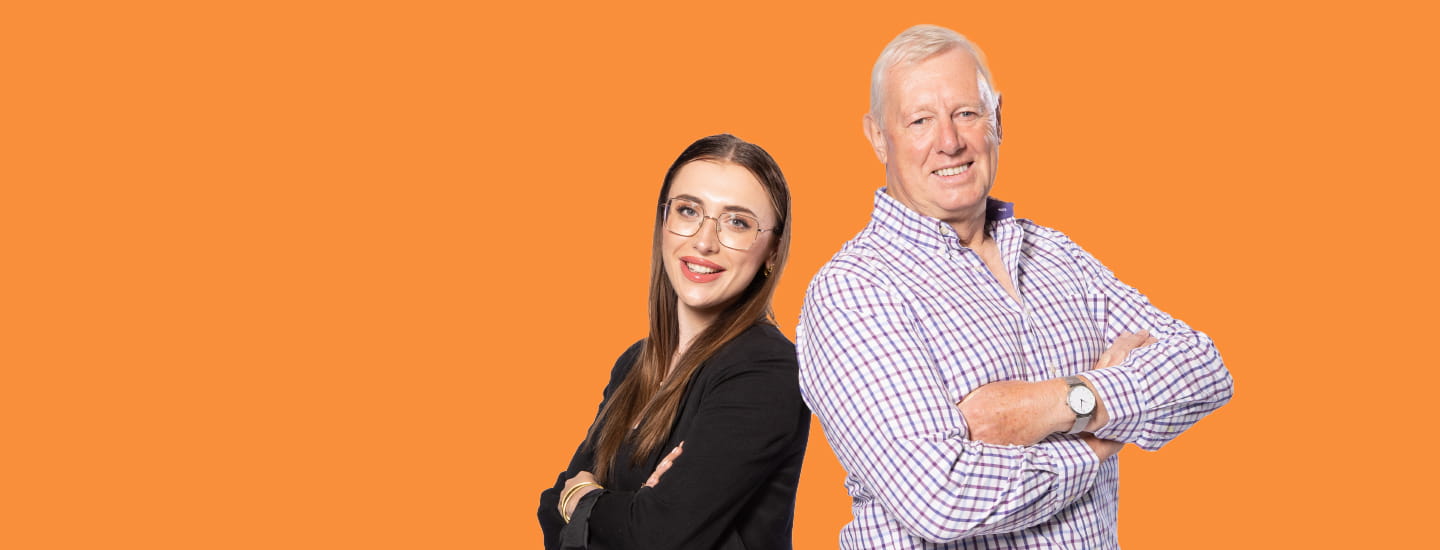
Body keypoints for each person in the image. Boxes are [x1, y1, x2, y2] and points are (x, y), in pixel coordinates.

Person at [796, 25, 1235, 548]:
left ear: (997, 118)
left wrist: (1063, 403)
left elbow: (1203, 368)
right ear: (876, 136)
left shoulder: (1057, 254)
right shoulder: (853, 291)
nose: (950, 141)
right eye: (919, 120)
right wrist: (1095, 441)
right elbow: (941, 500)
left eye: (966, 113)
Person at [537, 134, 809, 549]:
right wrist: (626, 507)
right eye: (688, 211)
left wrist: (585, 497)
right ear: (663, 221)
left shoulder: (768, 370)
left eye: (737, 222)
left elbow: (659, 534)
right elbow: (549, 512)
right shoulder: (635, 363)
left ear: (772, 250)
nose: (704, 241)